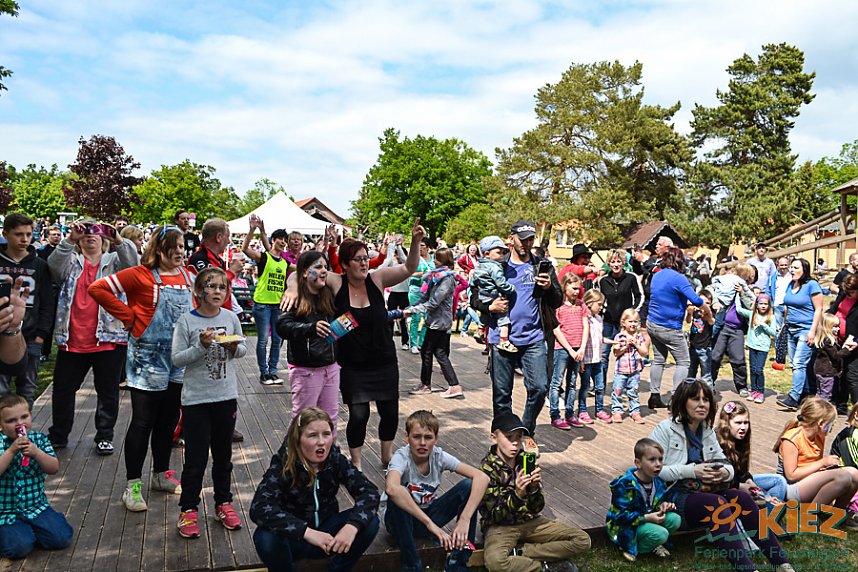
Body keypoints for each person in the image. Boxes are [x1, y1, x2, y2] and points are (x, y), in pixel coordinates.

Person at [282, 219, 426, 471]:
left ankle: (386, 456)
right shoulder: (337, 282)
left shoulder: (377, 278)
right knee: (359, 416)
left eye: (365, 258)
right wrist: (292, 289)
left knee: (390, 413)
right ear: (346, 264)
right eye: (358, 259)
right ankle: (356, 461)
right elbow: (299, 272)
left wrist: (415, 243)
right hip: (352, 364)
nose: (363, 263)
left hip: (383, 360)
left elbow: (410, 267)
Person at [89, 224, 193, 512]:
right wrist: (129, 318)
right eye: (175, 247)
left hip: (178, 358)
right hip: (147, 358)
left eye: (183, 247)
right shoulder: (139, 274)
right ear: (159, 250)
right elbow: (97, 288)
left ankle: (161, 474)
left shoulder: (187, 276)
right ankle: (132, 485)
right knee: (142, 421)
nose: (181, 252)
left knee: (169, 419)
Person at [649, 379, 794, 571]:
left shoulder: (706, 431)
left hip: (703, 492)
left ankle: (781, 563)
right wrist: (692, 470)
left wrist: (722, 474)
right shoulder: (665, 429)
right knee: (716, 504)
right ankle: (748, 569)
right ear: (683, 402)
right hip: (671, 498)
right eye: (695, 399)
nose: (702, 404)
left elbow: (728, 466)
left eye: (706, 399)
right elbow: (653, 470)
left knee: (741, 497)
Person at [250, 407, 380, 572]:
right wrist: (306, 532)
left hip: (329, 537)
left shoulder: (335, 460)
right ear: (298, 439)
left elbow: (369, 492)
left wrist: (352, 527)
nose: (321, 442)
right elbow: (259, 508)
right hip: (296, 538)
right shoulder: (284, 464)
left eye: (326, 434)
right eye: (312, 435)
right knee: (265, 538)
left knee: (370, 522)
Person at [45, 220, 136, 455]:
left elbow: (133, 265)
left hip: (108, 337)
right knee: (63, 390)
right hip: (72, 339)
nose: (90, 235)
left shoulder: (114, 262)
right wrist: (69, 239)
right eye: (85, 232)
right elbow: (53, 267)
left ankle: (104, 436)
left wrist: (118, 238)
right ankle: (59, 435)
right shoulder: (71, 262)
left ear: (104, 238)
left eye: (96, 232)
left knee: (108, 392)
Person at [170, 267, 246, 539]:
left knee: (224, 456)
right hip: (196, 401)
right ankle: (188, 508)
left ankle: (223, 503)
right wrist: (201, 347)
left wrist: (233, 347)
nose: (217, 292)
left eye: (222, 287)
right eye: (211, 286)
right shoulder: (186, 322)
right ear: (198, 292)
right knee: (196, 458)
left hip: (225, 398)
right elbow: (177, 359)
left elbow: (243, 348)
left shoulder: (230, 317)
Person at [470, 220, 563, 438]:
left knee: (540, 388)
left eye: (530, 239)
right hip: (501, 338)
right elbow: (473, 296)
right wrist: (489, 306)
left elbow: (557, 300)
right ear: (511, 238)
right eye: (522, 239)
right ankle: (504, 439)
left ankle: (525, 430)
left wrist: (549, 288)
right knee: (502, 395)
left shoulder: (542, 265)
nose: (526, 244)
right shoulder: (497, 264)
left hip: (534, 337)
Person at [480, 411, 590, 572]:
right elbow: (496, 515)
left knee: (582, 540)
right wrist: (517, 494)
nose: (515, 443)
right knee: (495, 562)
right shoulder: (486, 469)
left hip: (529, 521)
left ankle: (523, 552)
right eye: (509, 437)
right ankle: (542, 568)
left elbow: (537, 508)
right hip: (501, 527)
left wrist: (533, 489)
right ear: (494, 438)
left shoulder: (526, 461)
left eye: (518, 437)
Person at [383, 410, 489, 572]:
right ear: (407, 437)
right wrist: (431, 525)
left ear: (436, 439)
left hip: (429, 515)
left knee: (468, 486)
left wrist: (464, 519)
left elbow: (482, 478)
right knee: (398, 493)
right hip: (399, 522)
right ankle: (412, 566)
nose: (422, 443)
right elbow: (391, 488)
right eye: (417, 437)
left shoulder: (439, 456)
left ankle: (458, 563)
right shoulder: (401, 457)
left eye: (428, 437)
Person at [0, 394, 73, 560]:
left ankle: (33, 529)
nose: (20, 423)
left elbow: (53, 468)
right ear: (1, 425)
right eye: (11, 420)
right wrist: (11, 451)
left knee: (62, 537)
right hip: (5, 512)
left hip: (36, 507)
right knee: (19, 548)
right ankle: (18, 533)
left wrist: (36, 453)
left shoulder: (39, 440)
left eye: (24, 417)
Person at [276, 251, 340, 425]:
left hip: (331, 366)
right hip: (306, 369)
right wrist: (310, 328)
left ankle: (329, 452)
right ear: (304, 272)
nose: (324, 271)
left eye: (325, 267)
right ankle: (290, 453)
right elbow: (282, 326)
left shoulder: (329, 294)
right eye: (318, 267)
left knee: (331, 419)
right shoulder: (295, 297)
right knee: (303, 421)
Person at [773, 397, 858, 525]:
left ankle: (837, 513)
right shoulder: (792, 439)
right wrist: (822, 463)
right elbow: (791, 475)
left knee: (854, 473)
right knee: (843, 477)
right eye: (831, 423)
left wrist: (824, 468)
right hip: (790, 488)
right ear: (820, 423)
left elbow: (814, 466)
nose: (832, 426)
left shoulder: (819, 436)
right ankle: (808, 515)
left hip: (808, 482)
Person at [0, 213, 55, 409]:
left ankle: (24, 434)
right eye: (18, 234)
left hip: (30, 335)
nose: (24, 239)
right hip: (1, 331)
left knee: (27, 389)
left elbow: (47, 302)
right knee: (1, 389)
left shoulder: (39, 265)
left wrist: (42, 334)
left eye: (28, 234)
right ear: (5, 234)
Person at [646, 247, 705, 410]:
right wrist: (707, 310)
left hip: (652, 323)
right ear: (679, 261)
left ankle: (654, 396)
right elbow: (696, 300)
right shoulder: (679, 278)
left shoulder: (657, 275)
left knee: (658, 359)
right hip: (669, 327)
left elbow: (666, 296)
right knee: (684, 362)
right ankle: (675, 399)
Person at [606, 438, 680, 562]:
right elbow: (620, 517)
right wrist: (647, 518)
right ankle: (630, 547)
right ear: (638, 463)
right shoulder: (625, 485)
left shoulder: (658, 482)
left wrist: (663, 506)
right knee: (662, 534)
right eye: (652, 460)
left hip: (644, 521)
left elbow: (653, 505)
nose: (658, 464)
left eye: (660, 459)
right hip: (624, 527)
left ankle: (653, 543)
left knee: (675, 519)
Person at [405, 247, 465, 399]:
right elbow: (426, 296)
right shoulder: (436, 276)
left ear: (444, 260)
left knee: (427, 351)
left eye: (437, 259)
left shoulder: (447, 278)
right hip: (434, 320)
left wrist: (414, 311)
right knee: (439, 353)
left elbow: (434, 302)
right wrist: (411, 306)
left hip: (440, 322)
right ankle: (454, 385)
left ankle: (427, 385)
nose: (434, 261)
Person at [715, 400, 795, 502]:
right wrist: (740, 486)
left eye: (746, 422)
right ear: (727, 423)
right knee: (756, 499)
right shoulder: (716, 442)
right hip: (723, 487)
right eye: (738, 423)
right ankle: (764, 509)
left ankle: (767, 507)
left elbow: (742, 471)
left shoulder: (741, 439)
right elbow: (717, 478)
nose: (743, 427)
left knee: (778, 481)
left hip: (738, 481)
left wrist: (749, 481)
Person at [243, 216, 289, 385]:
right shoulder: (264, 258)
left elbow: (302, 268)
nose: (283, 242)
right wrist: (253, 230)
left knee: (277, 340)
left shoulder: (284, 262)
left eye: (285, 240)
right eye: (280, 239)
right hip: (262, 304)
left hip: (277, 305)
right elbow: (245, 248)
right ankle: (264, 373)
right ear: (273, 240)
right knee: (263, 340)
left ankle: (273, 372)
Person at [776, 258, 824, 410]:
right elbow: (788, 306)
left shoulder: (812, 285)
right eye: (791, 267)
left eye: (796, 267)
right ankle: (805, 394)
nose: (792, 270)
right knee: (794, 364)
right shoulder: (791, 284)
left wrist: (812, 331)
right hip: (790, 328)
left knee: (798, 363)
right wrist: (784, 325)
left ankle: (794, 397)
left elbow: (819, 309)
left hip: (805, 329)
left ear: (804, 270)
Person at [549, 274, 588, 430]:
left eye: (579, 288)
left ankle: (570, 414)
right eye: (574, 288)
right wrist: (570, 350)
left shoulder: (581, 305)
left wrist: (583, 348)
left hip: (578, 350)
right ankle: (555, 415)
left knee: (572, 383)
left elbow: (586, 327)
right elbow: (556, 330)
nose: (577, 292)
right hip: (563, 350)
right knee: (556, 383)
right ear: (565, 287)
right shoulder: (558, 306)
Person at [598, 249, 643, 381]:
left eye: (619, 261)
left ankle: (627, 382)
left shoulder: (631, 277)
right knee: (604, 354)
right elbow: (599, 300)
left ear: (623, 263)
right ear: (608, 264)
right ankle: (600, 384)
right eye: (613, 262)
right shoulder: (603, 281)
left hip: (626, 323)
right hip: (608, 321)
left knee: (627, 351)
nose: (616, 265)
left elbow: (639, 296)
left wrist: (633, 313)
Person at [472, 236, 516, 353]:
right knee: (503, 317)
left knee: (485, 313)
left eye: (503, 252)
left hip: (483, 295)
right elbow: (501, 284)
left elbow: (473, 282)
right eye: (498, 252)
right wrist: (511, 288)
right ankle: (504, 340)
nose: (502, 255)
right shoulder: (495, 267)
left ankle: (480, 330)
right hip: (494, 294)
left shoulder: (479, 265)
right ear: (487, 253)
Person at [735, 293, 777, 403]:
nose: (763, 306)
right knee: (753, 369)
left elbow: (774, 333)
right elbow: (739, 309)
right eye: (761, 303)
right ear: (756, 304)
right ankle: (753, 391)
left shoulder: (771, 317)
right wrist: (737, 295)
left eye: (766, 304)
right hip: (752, 346)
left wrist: (763, 325)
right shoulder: (752, 314)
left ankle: (760, 392)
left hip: (763, 347)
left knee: (759, 369)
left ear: (769, 306)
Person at [611, 309, 649, 424]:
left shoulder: (639, 337)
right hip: (621, 370)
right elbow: (616, 353)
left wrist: (636, 344)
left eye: (635, 322)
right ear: (623, 323)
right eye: (630, 321)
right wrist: (625, 346)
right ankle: (617, 411)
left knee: (633, 391)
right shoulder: (619, 337)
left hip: (634, 370)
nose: (633, 324)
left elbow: (645, 352)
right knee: (618, 391)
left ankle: (635, 411)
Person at [578, 289, 608, 423]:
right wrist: (581, 360)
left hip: (597, 359)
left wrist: (615, 341)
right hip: (587, 359)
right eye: (599, 304)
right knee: (585, 386)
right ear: (590, 303)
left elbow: (600, 338)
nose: (601, 307)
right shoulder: (584, 320)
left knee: (600, 386)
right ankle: (582, 410)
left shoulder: (599, 319)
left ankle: (599, 409)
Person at [813, 313, 856, 402]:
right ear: (827, 327)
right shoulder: (828, 341)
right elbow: (836, 356)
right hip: (827, 373)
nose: (838, 329)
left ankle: (811, 410)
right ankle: (818, 413)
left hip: (821, 371)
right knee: (826, 395)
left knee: (820, 393)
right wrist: (847, 349)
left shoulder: (823, 339)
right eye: (835, 326)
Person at [380, 238, 411, 350]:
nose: (397, 257)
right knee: (389, 319)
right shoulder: (392, 265)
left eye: (398, 255)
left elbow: (404, 258)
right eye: (396, 255)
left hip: (404, 294)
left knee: (403, 319)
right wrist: (391, 247)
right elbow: (387, 260)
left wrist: (398, 246)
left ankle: (405, 342)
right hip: (394, 293)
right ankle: (388, 340)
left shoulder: (406, 265)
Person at [406, 238, 434, 354]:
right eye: (418, 245)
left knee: (428, 318)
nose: (420, 247)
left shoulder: (433, 259)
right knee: (415, 317)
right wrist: (419, 275)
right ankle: (413, 343)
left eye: (422, 245)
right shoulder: (414, 259)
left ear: (427, 247)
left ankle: (422, 343)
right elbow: (407, 272)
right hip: (415, 289)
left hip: (429, 291)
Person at [686, 290, 715, 388]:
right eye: (702, 303)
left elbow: (712, 322)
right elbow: (688, 321)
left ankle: (708, 396)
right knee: (691, 373)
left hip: (705, 348)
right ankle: (688, 395)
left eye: (707, 303)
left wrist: (707, 312)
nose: (704, 305)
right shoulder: (695, 312)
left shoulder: (711, 314)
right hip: (693, 346)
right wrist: (689, 313)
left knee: (706, 375)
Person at [766, 256, 792, 332]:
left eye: (785, 265)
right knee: (778, 329)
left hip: (790, 306)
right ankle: (779, 343)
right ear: (777, 265)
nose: (783, 267)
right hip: (777, 305)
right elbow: (768, 291)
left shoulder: (793, 276)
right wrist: (771, 304)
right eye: (781, 265)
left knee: (790, 328)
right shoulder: (772, 277)